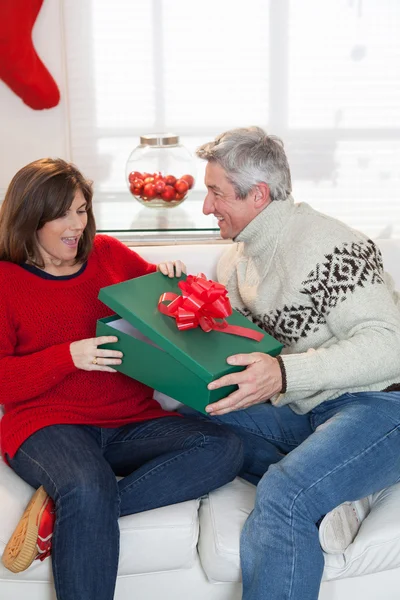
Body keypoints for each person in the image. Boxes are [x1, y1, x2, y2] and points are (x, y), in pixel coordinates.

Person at [0, 158, 244, 600]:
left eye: (81, 210)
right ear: (30, 217)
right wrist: (66, 357)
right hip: (48, 424)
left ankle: (67, 513)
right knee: (87, 485)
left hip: (130, 422)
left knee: (225, 447)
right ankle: (82, 501)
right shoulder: (5, 282)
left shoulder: (109, 256)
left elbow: (171, 314)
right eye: (63, 213)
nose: (77, 224)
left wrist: (174, 283)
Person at [194, 127, 400, 600]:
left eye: (215, 193)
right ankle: (332, 485)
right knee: (193, 417)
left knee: (283, 495)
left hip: (382, 405)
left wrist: (286, 373)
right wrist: (183, 296)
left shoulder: (328, 244)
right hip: (308, 415)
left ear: (259, 194)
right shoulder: (235, 262)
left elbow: (389, 343)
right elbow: (238, 347)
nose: (206, 207)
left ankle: (311, 486)